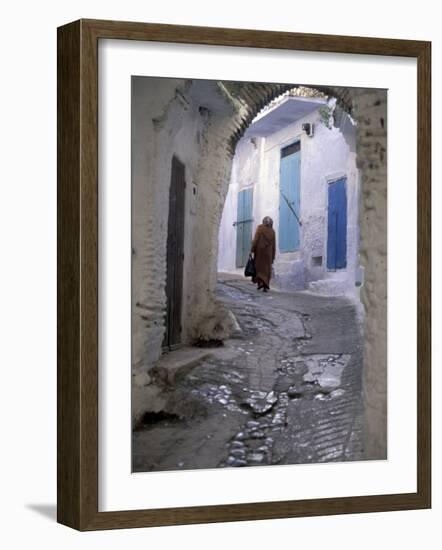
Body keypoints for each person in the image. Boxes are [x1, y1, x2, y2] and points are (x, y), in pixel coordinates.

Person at [250, 216, 276, 292]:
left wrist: (252, 250)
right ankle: (265, 285)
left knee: (259, 268)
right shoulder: (272, 231)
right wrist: (273, 256)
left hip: (260, 253)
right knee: (266, 269)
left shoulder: (260, 228)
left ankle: (260, 282)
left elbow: (255, 239)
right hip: (269, 254)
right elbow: (274, 245)